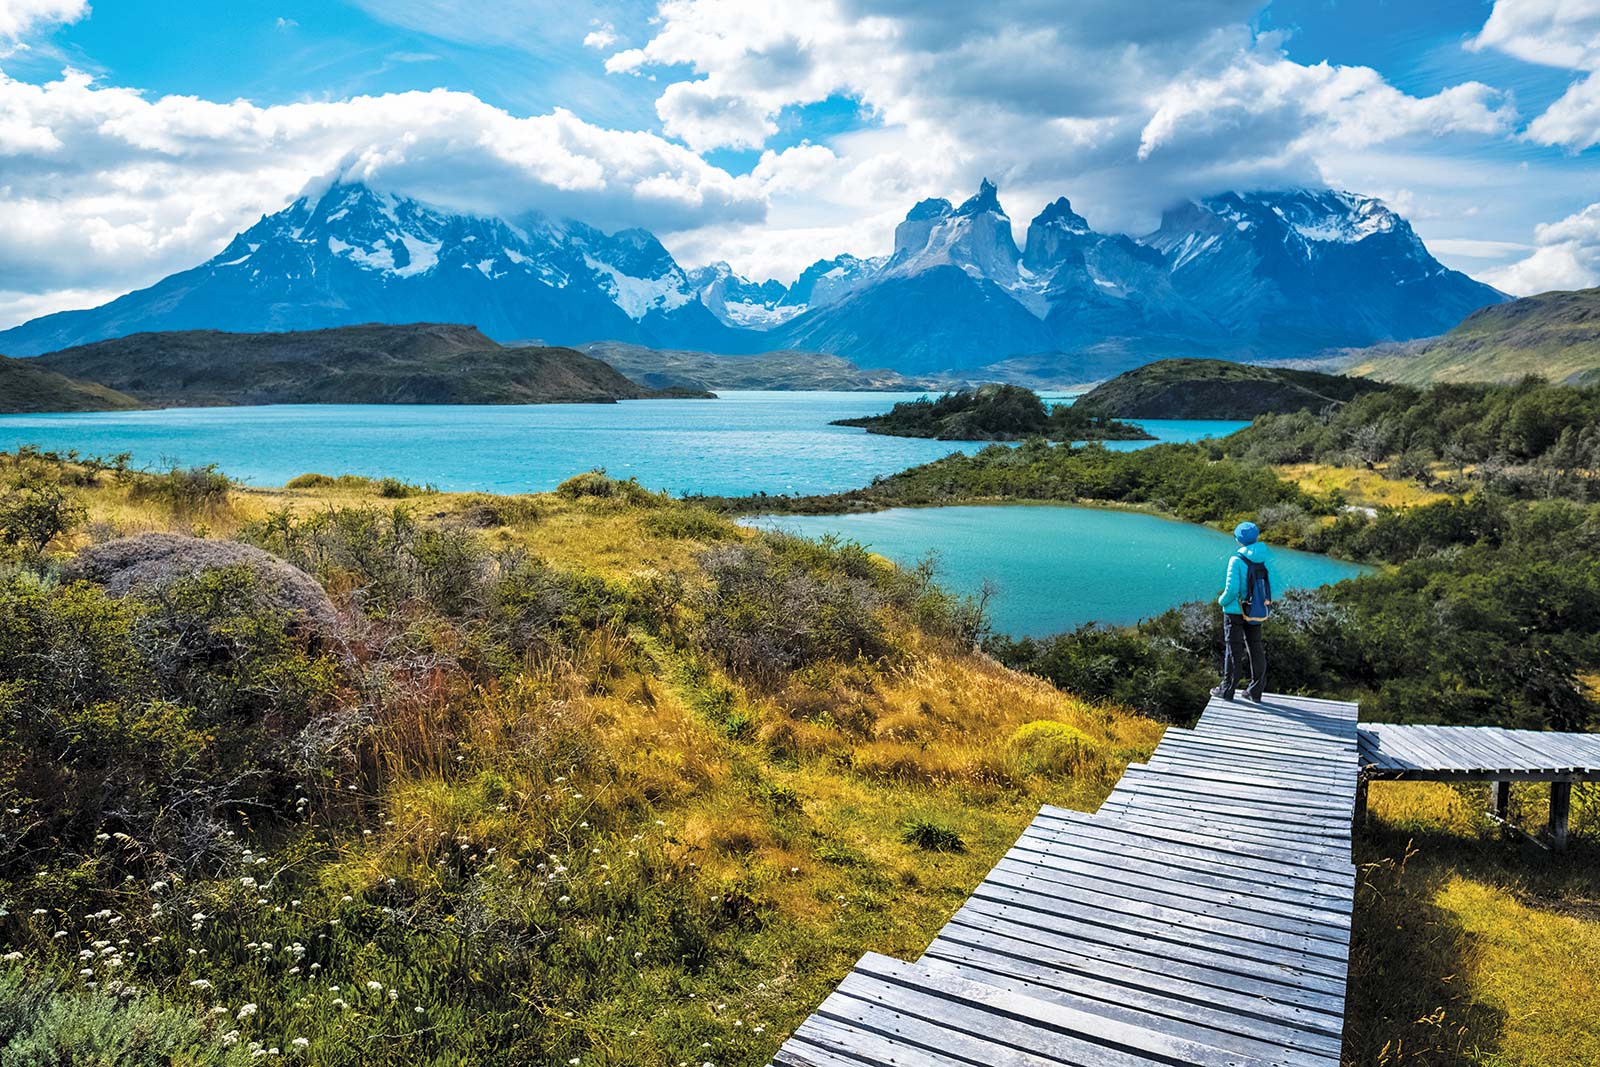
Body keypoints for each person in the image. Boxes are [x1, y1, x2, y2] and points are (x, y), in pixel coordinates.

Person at [1212, 520, 1269, 703]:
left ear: (1239, 539)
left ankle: (1227, 690)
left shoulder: (1236, 559)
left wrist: (1221, 601)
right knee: (1256, 647)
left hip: (1235, 610)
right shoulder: (1262, 556)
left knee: (1233, 649)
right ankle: (1255, 690)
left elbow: (1232, 590)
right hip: (1255, 609)